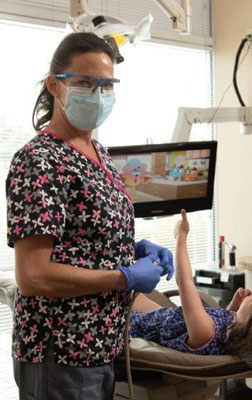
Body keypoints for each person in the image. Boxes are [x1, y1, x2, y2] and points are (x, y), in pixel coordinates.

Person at [6, 32, 173, 400]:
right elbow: (33, 275)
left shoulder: (98, 153)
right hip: (61, 352)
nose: (97, 94)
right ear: (55, 85)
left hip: (102, 345)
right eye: (84, 83)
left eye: (106, 85)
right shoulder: (40, 161)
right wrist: (124, 276)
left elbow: (85, 238)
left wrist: (134, 250)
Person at [129, 210, 252, 356]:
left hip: (139, 324)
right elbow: (220, 323)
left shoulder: (205, 332)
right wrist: (234, 308)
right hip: (160, 315)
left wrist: (181, 236)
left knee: (114, 288)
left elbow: (185, 281)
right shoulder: (231, 332)